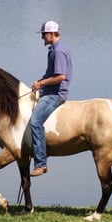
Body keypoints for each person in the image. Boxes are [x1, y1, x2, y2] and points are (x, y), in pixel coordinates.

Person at [30, 20, 72, 177]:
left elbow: (60, 76)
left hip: (55, 95)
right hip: (49, 91)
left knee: (35, 121)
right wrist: (39, 84)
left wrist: (41, 83)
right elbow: (51, 74)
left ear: (51, 34)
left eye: (43, 34)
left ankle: (40, 164)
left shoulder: (58, 51)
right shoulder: (54, 49)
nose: (42, 38)